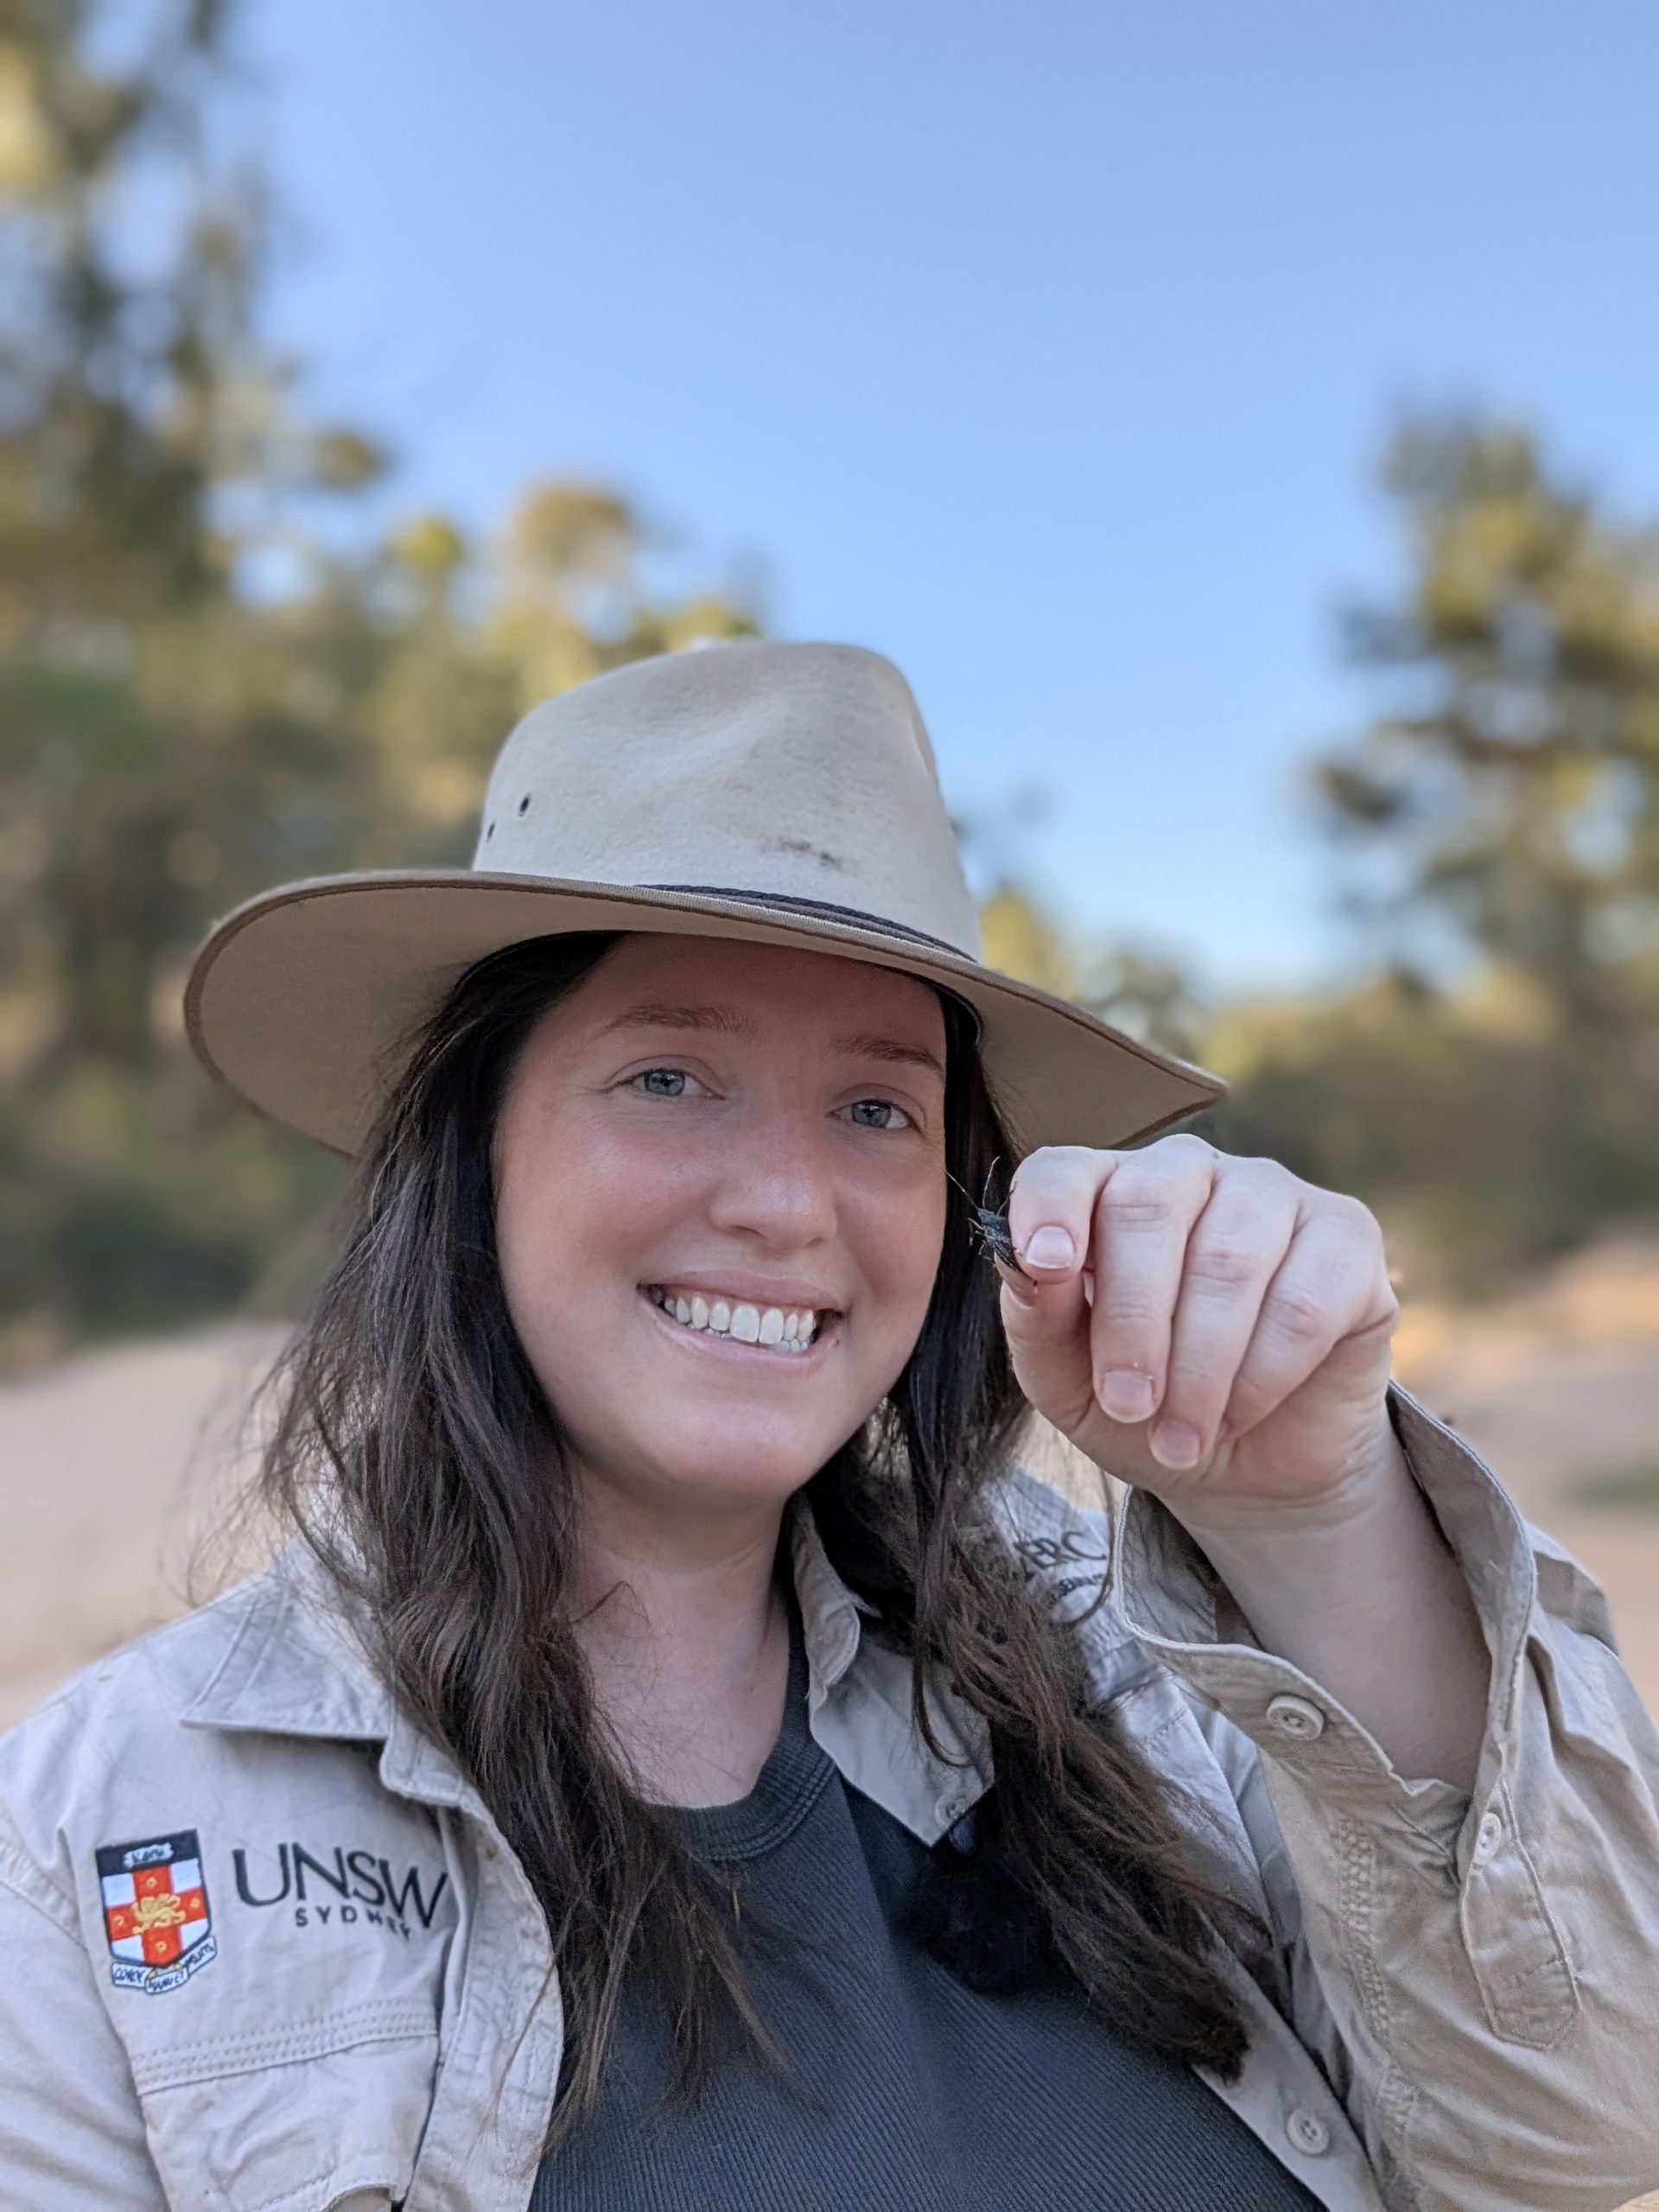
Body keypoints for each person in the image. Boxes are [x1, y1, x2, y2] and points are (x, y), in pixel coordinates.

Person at [2, 641, 1656, 2212]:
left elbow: (1579, 2136)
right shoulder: (101, 1843)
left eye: (878, 1109)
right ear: (474, 1145)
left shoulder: (1135, 1675)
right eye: (668, 1075)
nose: (793, 1205)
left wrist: (1315, 1520)